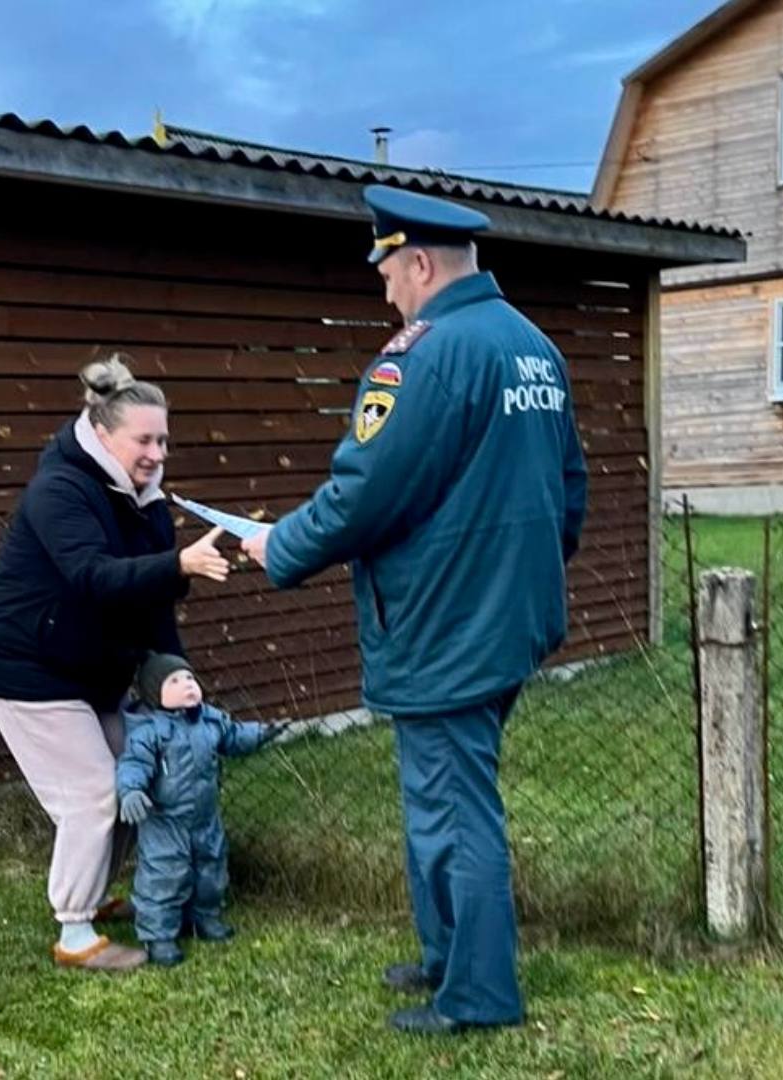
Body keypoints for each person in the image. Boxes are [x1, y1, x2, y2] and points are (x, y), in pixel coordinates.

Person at [242, 185, 588, 1033]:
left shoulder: (422, 359)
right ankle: (445, 957)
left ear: (422, 264)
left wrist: (278, 546)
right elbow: (569, 490)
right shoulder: (533, 347)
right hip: (508, 618)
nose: (387, 289)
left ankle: (478, 996)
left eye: (389, 273)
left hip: (445, 626)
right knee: (441, 799)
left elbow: (364, 493)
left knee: (454, 812)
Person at [0, 354, 230, 973]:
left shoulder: (146, 502)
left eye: (163, 440)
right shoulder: (60, 490)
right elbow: (93, 576)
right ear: (104, 434)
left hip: (89, 670)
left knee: (139, 774)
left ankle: (95, 893)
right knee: (91, 793)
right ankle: (75, 934)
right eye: (144, 440)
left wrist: (176, 681)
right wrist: (178, 564)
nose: (157, 453)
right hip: (25, 667)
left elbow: (152, 603)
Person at [114, 653, 285, 967]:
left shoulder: (210, 719)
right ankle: (158, 935)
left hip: (205, 818)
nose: (187, 685)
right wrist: (131, 790)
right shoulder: (149, 732)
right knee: (164, 875)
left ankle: (205, 916)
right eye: (175, 681)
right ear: (154, 693)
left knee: (211, 869)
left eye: (190, 678)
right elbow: (133, 763)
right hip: (166, 822)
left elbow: (232, 736)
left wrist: (259, 734)